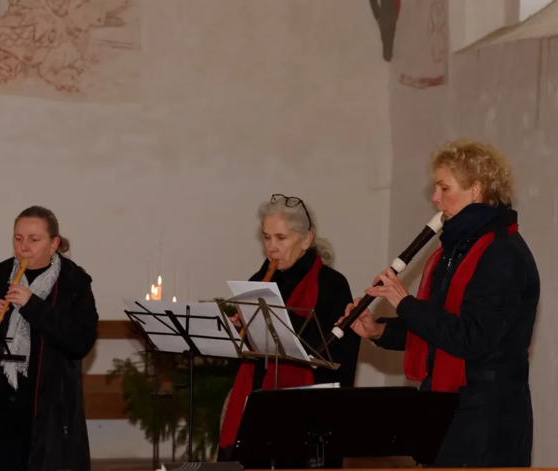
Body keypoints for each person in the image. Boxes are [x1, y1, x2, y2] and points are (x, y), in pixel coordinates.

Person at [340, 139, 539, 467]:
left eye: (444, 188)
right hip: (448, 412)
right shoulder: (456, 250)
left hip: (487, 423)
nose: (435, 199)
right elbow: (435, 332)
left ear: (475, 190)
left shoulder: (502, 254)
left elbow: (470, 338)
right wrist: (377, 330)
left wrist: (404, 301)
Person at [218, 194, 360, 467]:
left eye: (281, 238)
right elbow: (252, 354)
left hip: (309, 413)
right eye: (266, 237)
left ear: (306, 240)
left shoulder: (332, 285)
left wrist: (276, 323)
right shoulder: (258, 281)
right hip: (260, 405)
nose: (271, 248)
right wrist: (242, 331)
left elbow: (338, 353)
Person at [0, 206, 99, 471]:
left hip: (51, 409)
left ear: (54, 243)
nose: (24, 247)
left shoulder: (74, 282)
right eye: (18, 238)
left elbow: (81, 341)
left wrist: (33, 305)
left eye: (34, 240)